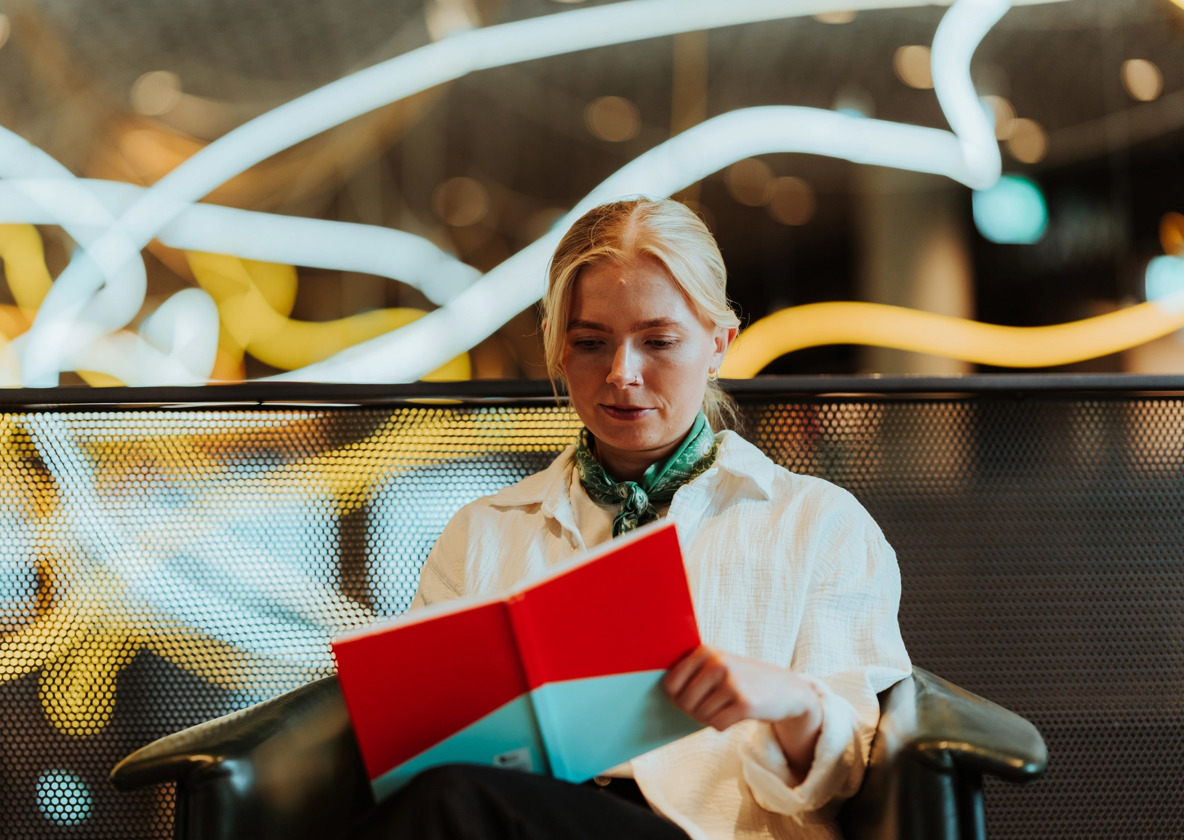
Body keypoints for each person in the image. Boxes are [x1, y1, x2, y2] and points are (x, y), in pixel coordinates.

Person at [346, 197, 911, 840]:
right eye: (591, 343)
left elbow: (855, 775)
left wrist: (786, 702)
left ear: (719, 344)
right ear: (560, 351)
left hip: (702, 831)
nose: (622, 374)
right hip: (506, 816)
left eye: (659, 341)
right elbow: (423, 741)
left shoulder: (817, 525)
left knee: (449, 801)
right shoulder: (484, 530)